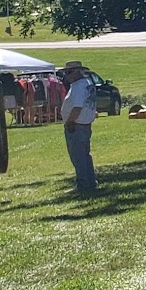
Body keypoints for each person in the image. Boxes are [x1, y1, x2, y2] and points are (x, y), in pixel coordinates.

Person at [58, 61, 98, 192]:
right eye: (66, 72)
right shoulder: (87, 83)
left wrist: (70, 122)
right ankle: (90, 181)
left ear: (79, 72)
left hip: (76, 125)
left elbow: (77, 107)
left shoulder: (78, 87)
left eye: (70, 72)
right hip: (84, 124)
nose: (67, 75)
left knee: (78, 157)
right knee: (85, 155)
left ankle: (83, 184)